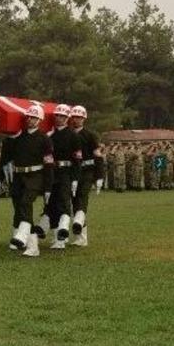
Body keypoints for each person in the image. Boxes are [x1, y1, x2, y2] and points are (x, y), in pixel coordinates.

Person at [0, 105, 54, 257]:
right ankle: (32, 245)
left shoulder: (44, 139)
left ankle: (24, 237)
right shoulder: (19, 138)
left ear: (40, 120)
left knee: (25, 203)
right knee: (20, 208)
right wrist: (0, 178)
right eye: (28, 117)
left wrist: (48, 187)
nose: (30, 120)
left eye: (34, 118)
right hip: (18, 177)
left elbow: (49, 164)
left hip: (36, 176)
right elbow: (6, 158)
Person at [32, 103, 81, 249]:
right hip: (52, 173)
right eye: (57, 115)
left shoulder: (73, 136)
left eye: (62, 116)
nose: (59, 118)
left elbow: (77, 159)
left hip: (65, 173)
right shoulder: (49, 135)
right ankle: (55, 237)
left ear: (67, 118)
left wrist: (75, 178)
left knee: (64, 203)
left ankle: (63, 233)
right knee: (50, 204)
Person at [69, 105, 104, 247]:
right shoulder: (69, 134)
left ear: (84, 119)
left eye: (79, 117)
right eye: (74, 117)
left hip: (87, 171)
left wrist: (99, 176)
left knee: (82, 198)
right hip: (73, 172)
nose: (76, 120)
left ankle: (81, 235)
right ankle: (81, 237)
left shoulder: (90, 135)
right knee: (75, 202)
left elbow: (98, 156)